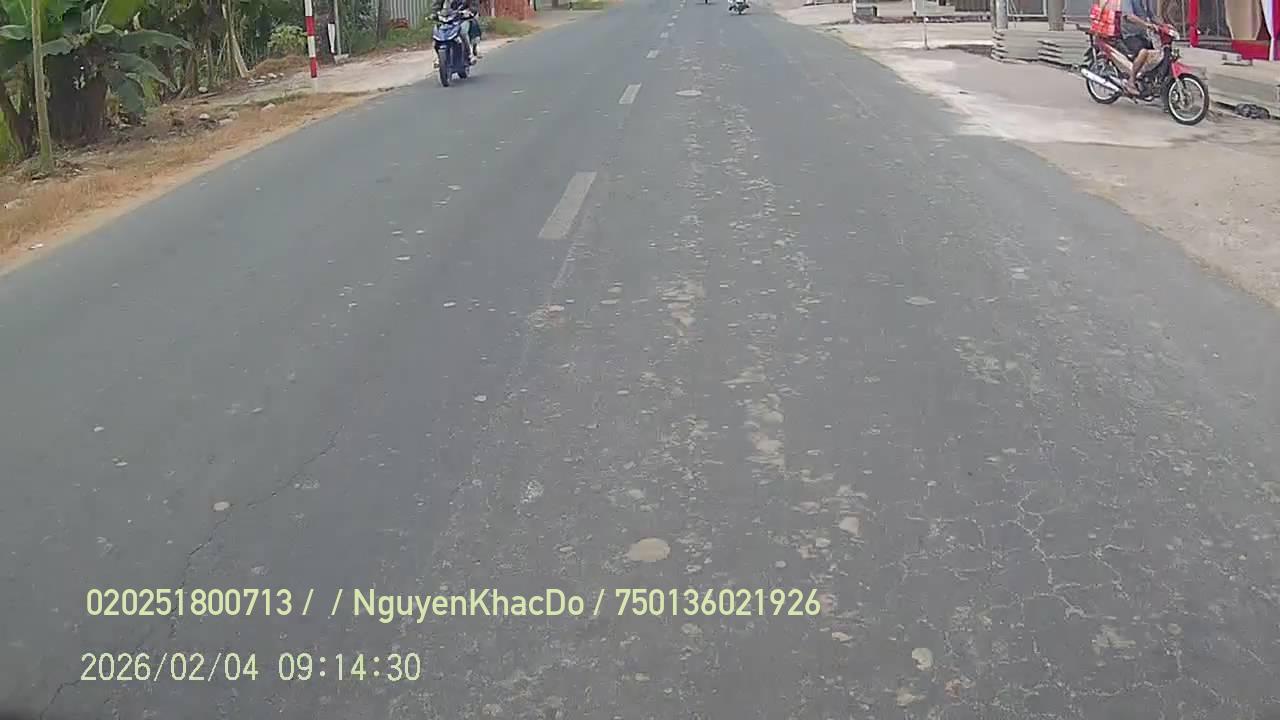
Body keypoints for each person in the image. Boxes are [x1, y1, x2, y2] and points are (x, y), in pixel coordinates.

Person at [1119, 0, 1159, 93]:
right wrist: (1146, 25)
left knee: (1157, 54)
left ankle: (1146, 80)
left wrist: (1165, 26)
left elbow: (1152, 16)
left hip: (1143, 35)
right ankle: (1131, 81)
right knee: (1143, 52)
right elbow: (1129, 16)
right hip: (1130, 35)